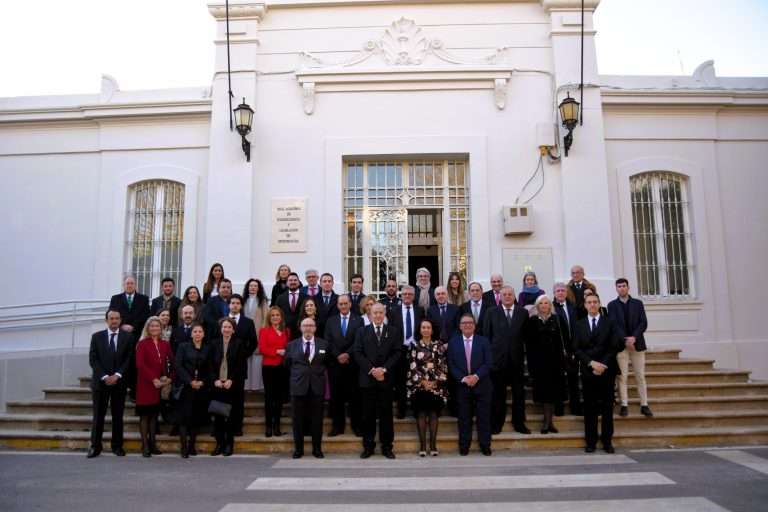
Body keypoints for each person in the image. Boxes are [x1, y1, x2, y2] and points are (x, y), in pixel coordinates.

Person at [574, 293, 622, 454]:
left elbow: (614, 345)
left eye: (595, 302)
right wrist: (591, 363)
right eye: (589, 302)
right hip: (588, 371)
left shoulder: (610, 323)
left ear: (600, 304)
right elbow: (576, 348)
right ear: (585, 305)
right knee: (590, 408)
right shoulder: (579, 324)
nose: (592, 305)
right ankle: (591, 441)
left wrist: (603, 364)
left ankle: (607, 441)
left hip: (607, 370)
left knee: (607, 408)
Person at [353, 303, 402, 459]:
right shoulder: (361, 332)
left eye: (381, 312)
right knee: (367, 415)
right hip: (367, 380)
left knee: (386, 415)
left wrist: (384, 370)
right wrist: (372, 370)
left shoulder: (393, 332)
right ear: (370, 315)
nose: (378, 315)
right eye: (375, 313)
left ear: (385, 314)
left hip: (386, 380)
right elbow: (358, 353)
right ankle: (368, 446)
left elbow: (397, 353)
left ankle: (387, 447)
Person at [483, 286, 530, 434]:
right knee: (498, 394)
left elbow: (525, 337)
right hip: (498, 361)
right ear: (500, 297)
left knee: (519, 394)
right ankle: (497, 423)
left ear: (514, 295)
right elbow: (486, 336)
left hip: (516, 361)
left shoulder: (523, 312)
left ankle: (519, 423)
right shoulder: (491, 312)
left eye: (510, 294)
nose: (508, 296)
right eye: (505, 294)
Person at [87, 310, 132, 458]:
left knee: (117, 416)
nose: (114, 321)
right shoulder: (96, 337)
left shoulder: (128, 337)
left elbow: (129, 359)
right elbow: (93, 360)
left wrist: (117, 375)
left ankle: (117, 446)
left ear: (120, 320)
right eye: (111, 318)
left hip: (119, 382)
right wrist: (105, 376)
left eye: (117, 318)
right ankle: (95, 446)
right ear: (106, 320)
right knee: (98, 416)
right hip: (101, 383)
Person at [284, 317, 331, 459]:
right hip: (298, 387)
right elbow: (286, 365)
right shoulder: (292, 345)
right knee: (297, 420)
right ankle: (298, 449)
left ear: (315, 328)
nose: (308, 328)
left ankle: (317, 449)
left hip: (317, 387)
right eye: (305, 325)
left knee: (317, 420)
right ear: (301, 328)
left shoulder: (324, 344)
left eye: (311, 325)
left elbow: (328, 363)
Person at [448, 314, 493, 456]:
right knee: (464, 418)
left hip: (482, 384)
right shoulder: (453, 342)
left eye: (470, 322)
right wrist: (463, 378)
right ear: (460, 326)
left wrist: (476, 376)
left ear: (474, 325)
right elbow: (451, 364)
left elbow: (488, 363)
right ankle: (464, 445)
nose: (467, 325)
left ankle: (485, 444)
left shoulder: (484, 341)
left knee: (484, 417)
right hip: (462, 386)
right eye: (464, 323)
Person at [608, 278, 652, 418]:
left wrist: (634, 337)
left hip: (637, 344)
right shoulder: (612, 305)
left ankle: (644, 404)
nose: (622, 288)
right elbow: (614, 325)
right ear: (616, 288)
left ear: (628, 287)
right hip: (621, 346)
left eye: (624, 286)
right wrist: (625, 339)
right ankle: (624, 405)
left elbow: (643, 323)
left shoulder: (638, 304)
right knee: (622, 377)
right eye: (619, 286)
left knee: (640, 376)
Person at [525, 295, 568, 434]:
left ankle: (548, 422)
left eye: (546, 303)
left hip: (555, 362)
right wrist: (531, 365)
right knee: (544, 393)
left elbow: (565, 340)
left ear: (550, 305)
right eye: (541, 303)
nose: (544, 305)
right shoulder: (532, 321)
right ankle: (547, 422)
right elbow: (529, 344)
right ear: (537, 306)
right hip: (539, 363)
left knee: (553, 392)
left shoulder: (558, 319)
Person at [324, 294, 364, 436]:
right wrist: (338, 355)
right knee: (336, 398)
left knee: (355, 398)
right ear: (337, 305)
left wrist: (347, 354)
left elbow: (359, 341)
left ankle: (357, 426)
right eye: (340, 304)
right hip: (335, 365)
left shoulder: (358, 320)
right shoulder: (331, 321)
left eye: (345, 303)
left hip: (353, 365)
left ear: (350, 304)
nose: (343, 306)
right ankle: (337, 427)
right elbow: (328, 341)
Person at [407, 319, 448, 456]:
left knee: (433, 413)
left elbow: (443, 365)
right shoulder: (414, 346)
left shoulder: (439, 345)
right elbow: (412, 366)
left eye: (428, 327)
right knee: (421, 413)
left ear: (432, 330)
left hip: (436, 386)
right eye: (423, 327)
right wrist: (423, 382)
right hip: (419, 386)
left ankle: (433, 445)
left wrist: (435, 382)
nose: (425, 330)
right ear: (420, 330)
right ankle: (423, 446)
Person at [135, 316, 174, 457]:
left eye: (157, 326)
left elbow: (172, 363)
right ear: (147, 328)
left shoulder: (165, 344)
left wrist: (170, 378)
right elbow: (140, 365)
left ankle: (153, 444)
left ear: (161, 328)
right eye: (152, 326)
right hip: (146, 384)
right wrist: (153, 379)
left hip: (160, 385)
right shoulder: (142, 344)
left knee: (154, 416)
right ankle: (145, 446)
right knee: (145, 416)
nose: (155, 328)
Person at [173, 323, 212, 458]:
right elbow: (178, 366)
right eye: (195, 331)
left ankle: (191, 446)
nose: (197, 334)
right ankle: (184, 447)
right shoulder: (183, 347)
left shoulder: (207, 349)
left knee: (195, 418)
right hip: (186, 387)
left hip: (200, 388)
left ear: (203, 334)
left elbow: (211, 369)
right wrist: (190, 381)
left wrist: (202, 382)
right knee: (184, 419)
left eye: (200, 331)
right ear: (191, 334)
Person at [388, 285, 425, 419]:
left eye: (410, 294)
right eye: (405, 294)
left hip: (417, 349)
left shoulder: (420, 310)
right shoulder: (393, 311)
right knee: (400, 381)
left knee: (417, 379)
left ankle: (417, 410)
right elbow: (391, 332)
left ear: (414, 296)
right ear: (401, 296)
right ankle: (401, 409)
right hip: (400, 349)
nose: (407, 296)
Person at [210, 317, 245, 456]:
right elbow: (210, 364)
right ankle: (219, 444)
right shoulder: (214, 343)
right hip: (218, 384)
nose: (226, 329)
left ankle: (229, 444)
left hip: (232, 385)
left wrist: (231, 379)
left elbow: (241, 365)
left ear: (233, 329)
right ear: (221, 329)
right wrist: (215, 379)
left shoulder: (239, 343)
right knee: (218, 416)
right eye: (224, 327)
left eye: (229, 327)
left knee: (230, 416)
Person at [228, 294, 257, 436]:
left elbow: (253, 342)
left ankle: (237, 427)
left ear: (241, 306)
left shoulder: (248, 322)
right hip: (223, 366)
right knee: (222, 398)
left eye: (237, 303)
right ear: (229, 305)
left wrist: (243, 355)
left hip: (239, 366)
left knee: (238, 399)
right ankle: (222, 428)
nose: (235, 305)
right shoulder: (222, 321)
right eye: (232, 303)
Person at [259, 307, 290, 437]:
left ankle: (277, 426)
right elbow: (262, 348)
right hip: (269, 368)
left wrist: (285, 352)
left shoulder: (286, 331)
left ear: (281, 317)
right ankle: (268, 426)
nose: (275, 317)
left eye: (278, 315)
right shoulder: (264, 331)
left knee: (279, 398)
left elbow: (289, 348)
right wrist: (277, 351)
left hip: (282, 368)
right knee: (269, 397)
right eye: (273, 315)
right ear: (269, 318)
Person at [553, 282, 582, 415]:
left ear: (566, 293)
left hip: (572, 349)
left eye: (562, 291)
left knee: (573, 379)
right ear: (554, 293)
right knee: (558, 380)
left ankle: (575, 407)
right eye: (558, 291)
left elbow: (577, 329)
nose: (560, 293)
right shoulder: (551, 308)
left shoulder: (573, 307)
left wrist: (575, 348)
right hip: (558, 350)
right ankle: (559, 408)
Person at [243, 278, 269, 391]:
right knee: (246, 360)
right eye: (251, 286)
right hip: (245, 335)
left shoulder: (262, 301)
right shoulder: (243, 300)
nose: (253, 288)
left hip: (258, 334)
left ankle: (257, 386)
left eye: (255, 286)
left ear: (259, 288)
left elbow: (266, 319)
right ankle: (246, 386)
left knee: (257, 361)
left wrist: (263, 335)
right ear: (247, 287)